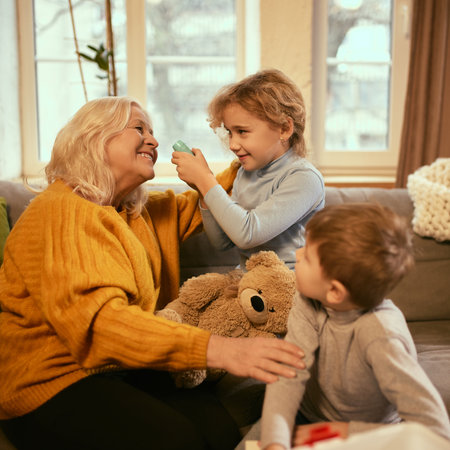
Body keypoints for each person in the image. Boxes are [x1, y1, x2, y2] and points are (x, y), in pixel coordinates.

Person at [0, 96, 306, 450]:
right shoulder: (62, 211)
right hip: (51, 382)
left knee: (218, 430)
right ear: (96, 138)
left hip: (119, 369)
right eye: (139, 128)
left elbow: (209, 202)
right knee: (178, 439)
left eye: (153, 131)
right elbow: (102, 326)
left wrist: (259, 151)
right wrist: (220, 350)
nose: (155, 140)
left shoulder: (133, 211)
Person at [249, 203, 450, 449]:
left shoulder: (381, 334)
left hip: (368, 434)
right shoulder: (307, 300)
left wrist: (345, 431)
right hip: (305, 416)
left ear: (334, 291)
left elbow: (436, 431)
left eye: (308, 256)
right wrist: (276, 442)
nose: (298, 255)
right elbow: (288, 376)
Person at [172, 69, 324, 270]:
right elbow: (223, 242)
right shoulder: (244, 173)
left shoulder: (304, 178)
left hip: (288, 286)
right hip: (250, 282)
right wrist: (202, 191)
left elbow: (248, 234)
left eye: (242, 131)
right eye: (230, 132)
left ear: (284, 129)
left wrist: (206, 179)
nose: (233, 144)